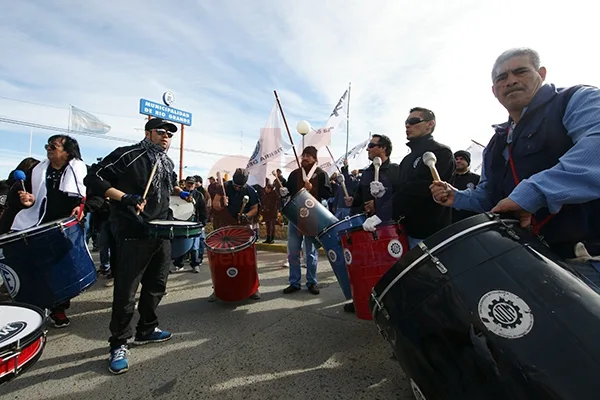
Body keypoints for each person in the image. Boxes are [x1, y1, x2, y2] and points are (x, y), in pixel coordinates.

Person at [430, 47, 600, 289]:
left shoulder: (576, 99)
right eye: (501, 78)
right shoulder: (496, 142)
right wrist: (457, 197)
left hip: (588, 259)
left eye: (520, 72)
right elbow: (489, 197)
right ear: (494, 90)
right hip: (532, 264)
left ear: (541, 73)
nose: (511, 81)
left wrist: (533, 191)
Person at [84, 118, 184, 375]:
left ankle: (147, 328)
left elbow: (168, 185)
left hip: (161, 231)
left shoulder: (167, 162)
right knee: (126, 292)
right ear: (148, 133)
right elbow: (93, 178)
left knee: (156, 285)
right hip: (132, 231)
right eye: (161, 132)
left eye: (170, 135)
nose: (166, 138)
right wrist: (124, 197)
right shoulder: (127, 155)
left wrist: (182, 193)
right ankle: (118, 342)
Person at [6, 136, 87, 327]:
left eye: (53, 146)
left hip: (65, 229)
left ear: (67, 152)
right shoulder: (34, 171)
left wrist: (83, 208)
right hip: (35, 227)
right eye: (47, 146)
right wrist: (25, 200)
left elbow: (94, 197)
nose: (48, 149)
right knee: (36, 270)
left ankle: (59, 309)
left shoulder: (81, 171)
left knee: (62, 272)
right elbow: (14, 196)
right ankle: (35, 309)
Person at [365, 107, 454, 249]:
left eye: (413, 121)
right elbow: (401, 188)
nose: (407, 125)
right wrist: (384, 193)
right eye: (406, 122)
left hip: (431, 235)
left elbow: (419, 189)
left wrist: (384, 213)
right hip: (406, 231)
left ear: (430, 124)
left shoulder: (441, 152)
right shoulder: (407, 159)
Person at [280, 146, 332, 295]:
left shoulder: (321, 174)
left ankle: (312, 282)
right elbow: (287, 193)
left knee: (310, 252)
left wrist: (313, 190)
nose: (305, 158)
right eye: (304, 155)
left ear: (315, 159)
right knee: (293, 251)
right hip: (295, 218)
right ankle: (294, 282)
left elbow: (328, 195)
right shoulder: (295, 174)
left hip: (313, 218)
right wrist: (283, 192)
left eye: (309, 156)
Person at [209, 168, 261, 301]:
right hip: (225, 226)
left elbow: (255, 208)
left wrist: (246, 215)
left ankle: (253, 288)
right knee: (221, 260)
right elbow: (215, 204)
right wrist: (221, 204)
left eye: (240, 186)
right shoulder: (224, 187)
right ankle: (218, 289)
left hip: (242, 227)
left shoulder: (249, 190)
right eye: (235, 185)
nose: (237, 188)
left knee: (248, 259)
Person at [172, 176, 208, 273]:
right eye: (188, 183)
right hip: (180, 222)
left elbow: (203, 210)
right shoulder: (179, 193)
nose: (190, 185)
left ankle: (195, 265)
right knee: (180, 244)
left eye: (192, 183)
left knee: (194, 246)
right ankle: (178, 264)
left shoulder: (199, 195)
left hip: (194, 222)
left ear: (195, 184)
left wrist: (203, 223)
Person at [450, 150, 481, 223]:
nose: (458, 161)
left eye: (462, 159)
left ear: (468, 162)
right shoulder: (447, 177)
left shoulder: (477, 179)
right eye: (456, 159)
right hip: (448, 220)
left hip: (470, 221)